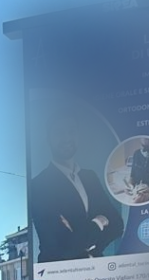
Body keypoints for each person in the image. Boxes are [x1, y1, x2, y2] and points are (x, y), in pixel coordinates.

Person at [29, 111, 124, 263]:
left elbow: (117, 224)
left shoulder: (89, 177)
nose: (66, 138)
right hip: (58, 276)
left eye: (71, 131)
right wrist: (99, 221)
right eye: (59, 133)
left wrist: (84, 240)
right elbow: (61, 245)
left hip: (97, 271)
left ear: (78, 136)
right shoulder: (39, 184)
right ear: (49, 139)